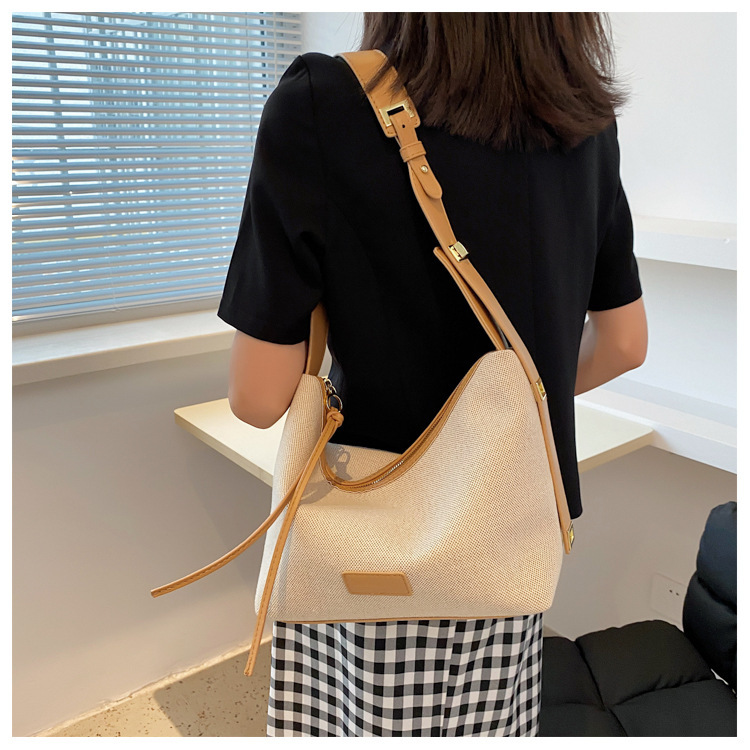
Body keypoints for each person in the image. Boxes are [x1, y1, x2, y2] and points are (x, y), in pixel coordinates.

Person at [217, 12, 648, 738]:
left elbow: (257, 398)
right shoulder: (586, 124)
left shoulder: (322, 102)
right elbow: (625, 344)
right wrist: (497, 414)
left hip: (371, 534)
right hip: (513, 525)